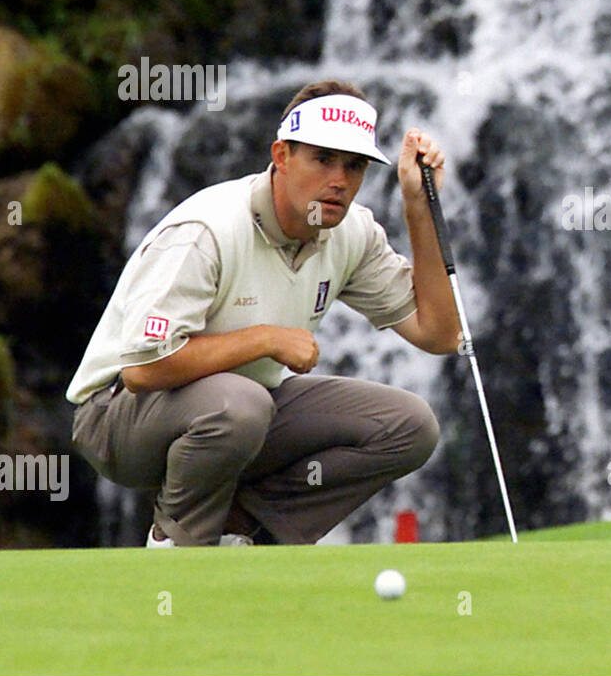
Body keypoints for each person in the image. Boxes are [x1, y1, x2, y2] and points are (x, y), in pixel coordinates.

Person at [65, 80, 461, 546]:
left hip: (241, 411)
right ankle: (178, 542)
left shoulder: (352, 232)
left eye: (354, 166)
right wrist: (266, 339)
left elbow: (439, 333)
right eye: (322, 159)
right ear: (281, 155)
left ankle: (243, 529)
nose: (339, 180)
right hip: (117, 418)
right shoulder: (208, 229)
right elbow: (142, 369)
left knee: (409, 425)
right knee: (242, 405)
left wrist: (417, 207)